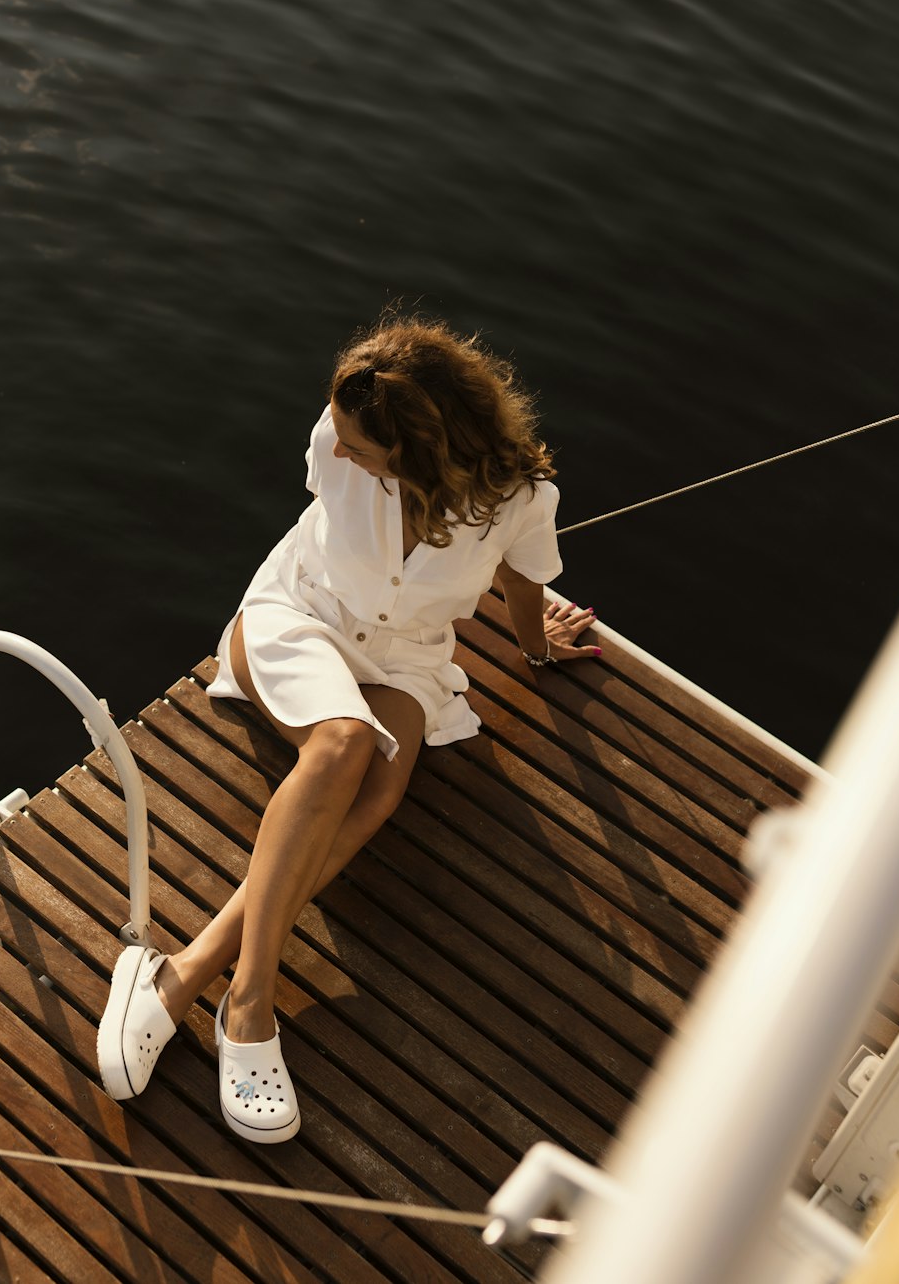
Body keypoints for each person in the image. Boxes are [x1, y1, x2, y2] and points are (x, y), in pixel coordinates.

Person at [97, 314, 600, 1142]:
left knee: (376, 792)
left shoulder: (520, 499)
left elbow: (517, 579)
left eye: (363, 448)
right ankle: (247, 1005)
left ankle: (179, 972)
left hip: (405, 657)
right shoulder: (336, 439)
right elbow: (325, 511)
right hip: (299, 617)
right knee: (343, 744)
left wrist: (540, 650)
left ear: (423, 449)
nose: (340, 453)